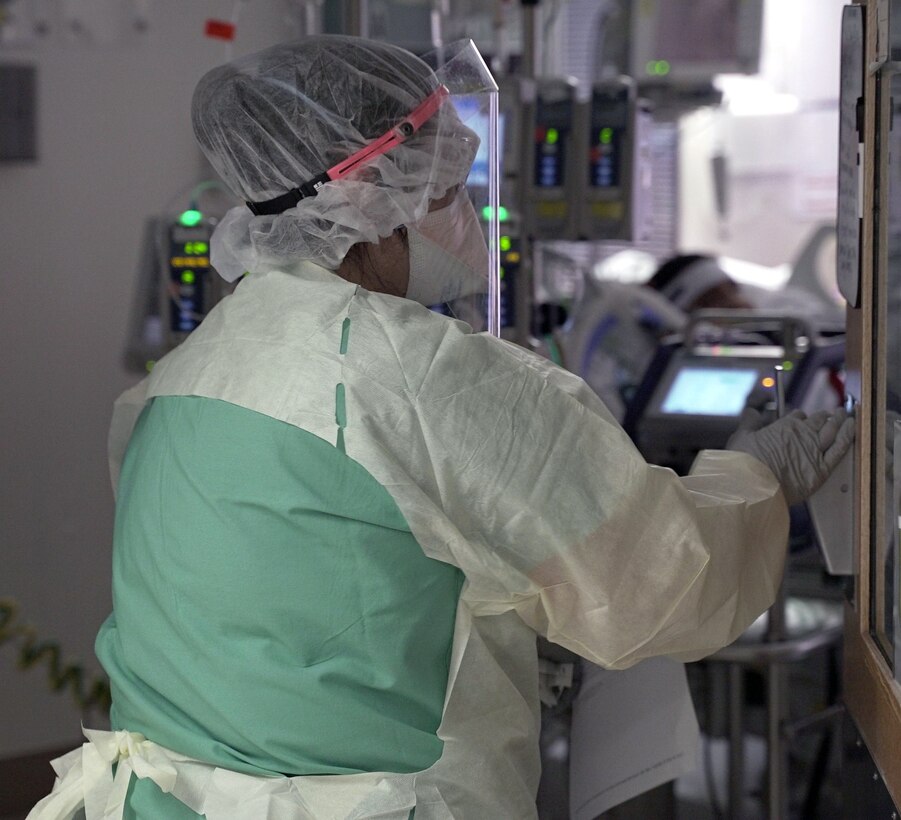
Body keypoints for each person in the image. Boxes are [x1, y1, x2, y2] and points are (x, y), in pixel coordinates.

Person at [29, 36, 854, 820]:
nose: (466, 216)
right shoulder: (422, 375)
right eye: (446, 192)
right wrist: (756, 480)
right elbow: (659, 586)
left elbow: (295, 592)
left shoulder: (188, 372)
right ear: (368, 197)